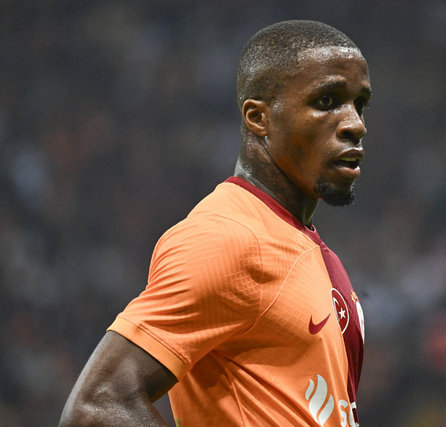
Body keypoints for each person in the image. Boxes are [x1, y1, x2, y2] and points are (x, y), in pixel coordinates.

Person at [60, 19, 371, 426]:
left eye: (359, 104)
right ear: (258, 118)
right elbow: (97, 405)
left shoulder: (303, 245)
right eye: (327, 101)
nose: (355, 124)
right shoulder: (228, 236)